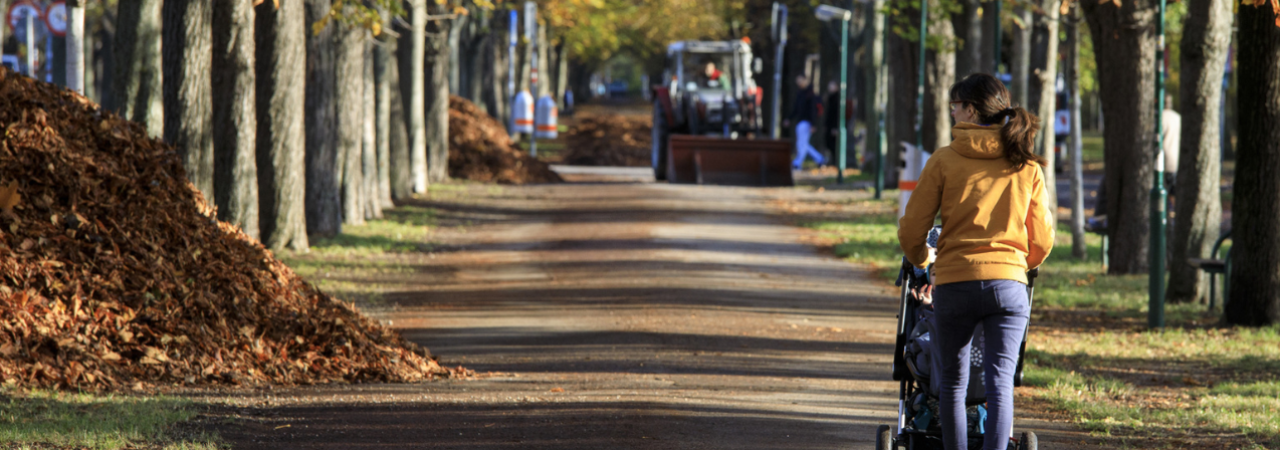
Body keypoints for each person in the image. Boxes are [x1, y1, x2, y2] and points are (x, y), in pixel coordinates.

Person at [898, 73, 1055, 450]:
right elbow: (1044, 239)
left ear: (970, 109)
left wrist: (926, 261)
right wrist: (1018, 266)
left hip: (955, 282)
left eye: (955, 105)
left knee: (953, 382)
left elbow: (912, 229)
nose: (952, 113)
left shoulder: (945, 160)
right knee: (1000, 384)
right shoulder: (1026, 165)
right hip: (1010, 285)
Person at [785, 75, 824, 169]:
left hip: (806, 122)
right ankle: (819, 158)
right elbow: (796, 109)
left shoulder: (810, 94)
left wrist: (813, 124)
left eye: (800, 81)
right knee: (803, 144)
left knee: (801, 144)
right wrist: (789, 119)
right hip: (800, 121)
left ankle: (797, 163)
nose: (799, 83)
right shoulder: (800, 94)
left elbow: (813, 111)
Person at [824, 80, 842, 163]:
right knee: (829, 144)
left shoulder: (837, 99)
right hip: (829, 125)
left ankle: (835, 162)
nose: (830, 87)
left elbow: (836, 114)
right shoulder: (830, 98)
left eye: (832, 86)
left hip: (833, 126)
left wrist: (835, 127)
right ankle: (832, 162)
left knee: (833, 144)